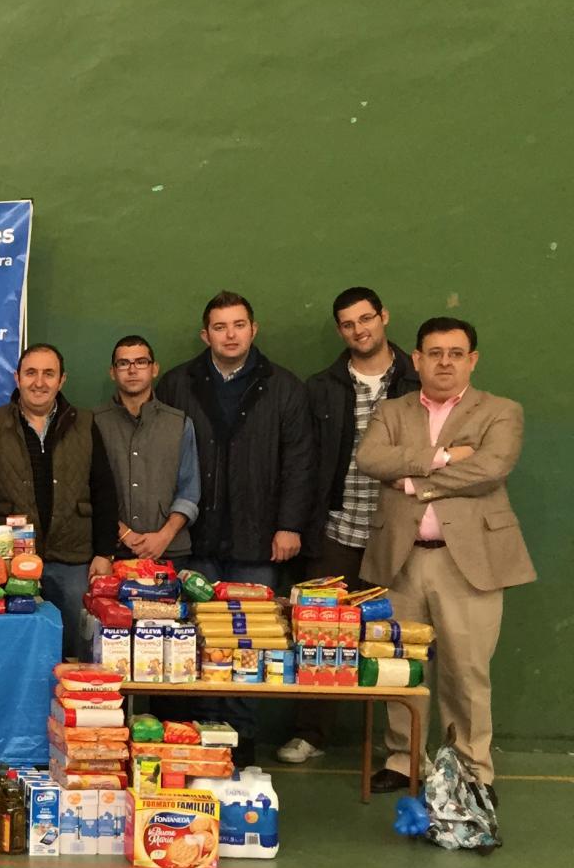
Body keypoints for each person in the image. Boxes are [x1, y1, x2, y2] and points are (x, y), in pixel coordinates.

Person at [358, 317, 532, 800]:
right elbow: (371, 459)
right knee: (401, 665)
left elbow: (491, 468)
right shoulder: (391, 410)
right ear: (416, 360)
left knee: (466, 671)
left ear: (472, 360)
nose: (445, 363)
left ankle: (472, 770)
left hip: (470, 563)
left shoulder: (500, 411)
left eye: (456, 353)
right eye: (434, 353)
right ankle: (403, 759)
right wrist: (444, 457)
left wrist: (414, 482)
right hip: (401, 559)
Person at [154, 292, 315, 764]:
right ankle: (199, 738)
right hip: (195, 538)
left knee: (249, 644)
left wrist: (289, 525)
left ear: (253, 330)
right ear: (205, 335)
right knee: (198, 639)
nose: (230, 335)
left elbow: (300, 462)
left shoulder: (284, 386)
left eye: (238, 325)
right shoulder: (177, 383)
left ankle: (240, 742)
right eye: (220, 327)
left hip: (257, 540)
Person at [280, 288, 420, 764]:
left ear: (384, 317)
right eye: (348, 323)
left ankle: (401, 746)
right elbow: (304, 461)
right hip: (337, 529)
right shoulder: (321, 386)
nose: (359, 330)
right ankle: (311, 734)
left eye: (366, 318)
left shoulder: (416, 379)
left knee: (397, 640)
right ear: (340, 331)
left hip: (400, 533)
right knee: (318, 635)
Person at [0, 344, 117, 660]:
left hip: (73, 559)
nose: (39, 382)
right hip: (9, 562)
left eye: (48, 374)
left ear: (62, 380)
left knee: (77, 650)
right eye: (31, 373)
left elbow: (104, 491)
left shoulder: (85, 423)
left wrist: (104, 552)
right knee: (14, 650)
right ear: (17, 378)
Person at [93, 336, 200, 564]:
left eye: (141, 362)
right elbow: (87, 492)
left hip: (170, 551)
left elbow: (189, 491)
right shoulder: (93, 423)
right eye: (123, 363)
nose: (132, 370)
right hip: (111, 551)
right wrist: (124, 534)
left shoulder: (179, 423)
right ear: (112, 372)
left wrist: (164, 536)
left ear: (154, 369)